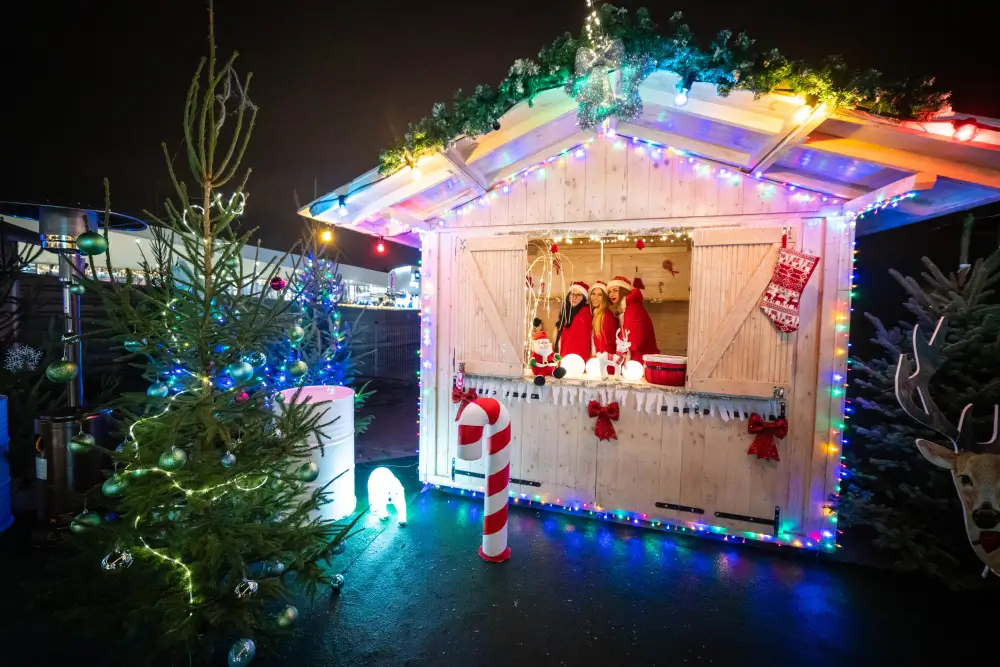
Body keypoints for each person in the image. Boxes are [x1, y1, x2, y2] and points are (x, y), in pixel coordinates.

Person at [607, 275, 659, 359]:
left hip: (638, 360)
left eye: (615, 290)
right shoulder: (624, 309)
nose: (611, 294)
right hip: (636, 359)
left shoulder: (633, 309)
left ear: (624, 291)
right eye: (609, 292)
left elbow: (635, 343)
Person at [555, 281, 592, 360]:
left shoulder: (585, 313)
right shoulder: (566, 312)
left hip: (576, 359)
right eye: (572, 294)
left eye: (579, 295)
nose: (574, 297)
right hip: (565, 356)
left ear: (584, 298)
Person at [589, 281, 618, 358]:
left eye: (600, 295)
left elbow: (607, 343)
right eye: (593, 294)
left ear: (605, 297)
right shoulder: (595, 314)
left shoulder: (606, 315)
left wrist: (601, 360)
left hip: (604, 361)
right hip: (598, 359)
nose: (595, 298)